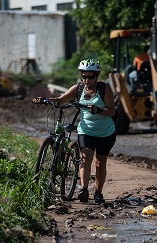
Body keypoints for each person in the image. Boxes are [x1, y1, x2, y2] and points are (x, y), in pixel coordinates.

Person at [32, 59, 116, 204]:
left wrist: (99, 110)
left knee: (100, 163)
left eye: (90, 77)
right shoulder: (78, 89)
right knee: (85, 157)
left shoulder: (104, 89)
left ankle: (98, 193)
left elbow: (112, 111)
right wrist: (44, 99)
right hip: (86, 130)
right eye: (84, 76)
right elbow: (60, 100)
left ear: (96, 76)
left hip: (105, 132)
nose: (86, 80)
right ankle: (83, 189)